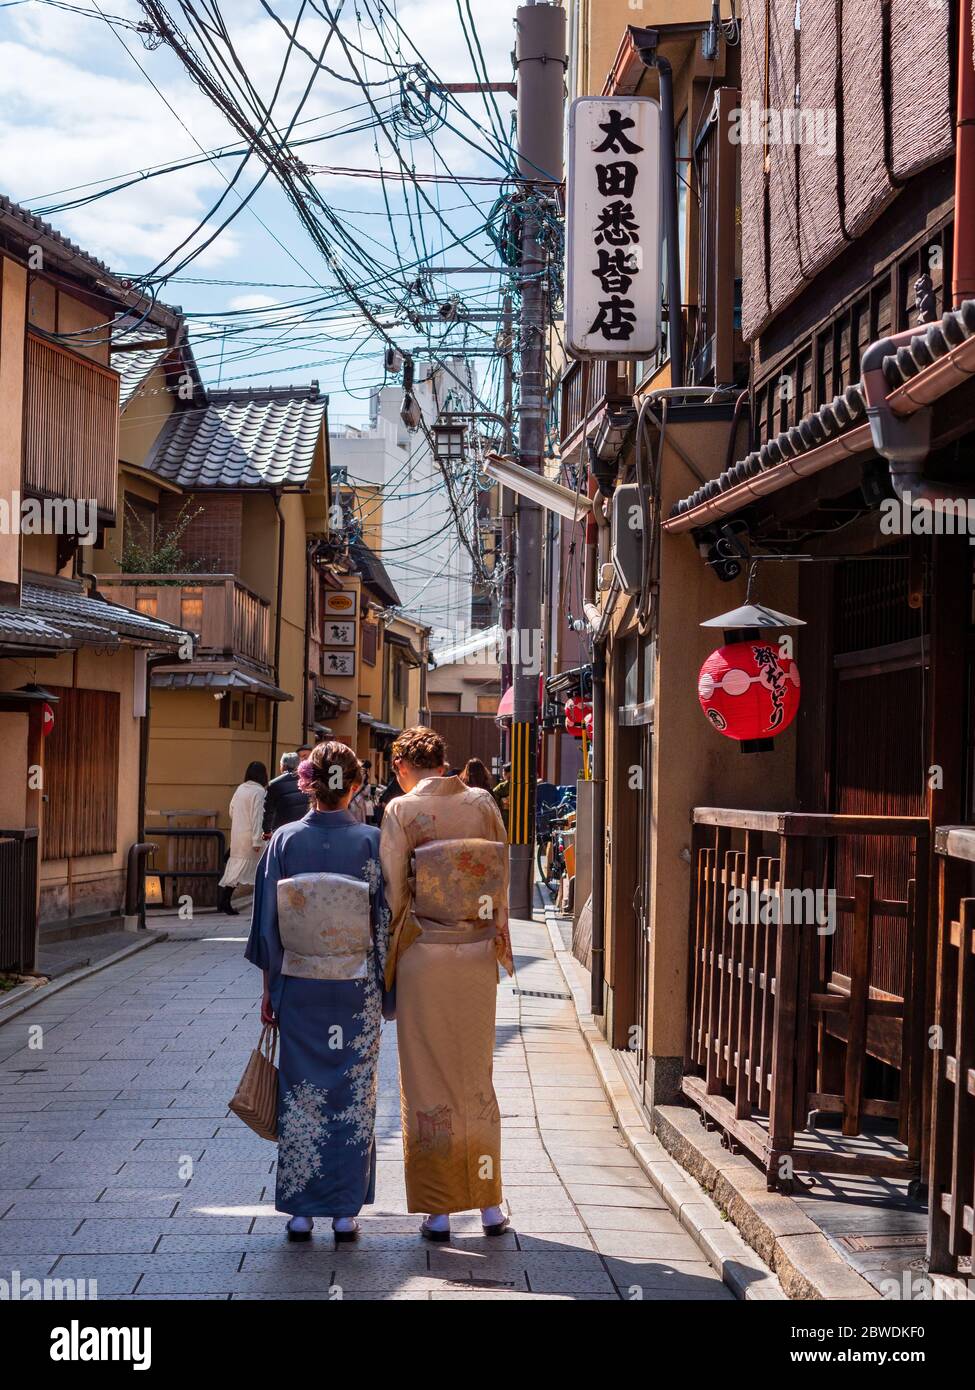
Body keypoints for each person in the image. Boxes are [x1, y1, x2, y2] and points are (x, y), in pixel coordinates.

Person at [245, 741, 391, 1245]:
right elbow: (385, 925)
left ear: (308, 784)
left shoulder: (284, 841)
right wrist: (386, 988)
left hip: (301, 983)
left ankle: (301, 1213)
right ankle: (346, 1212)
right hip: (356, 988)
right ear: (354, 786)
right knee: (352, 1094)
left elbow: (268, 926)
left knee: (301, 1094)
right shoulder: (373, 842)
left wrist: (271, 989)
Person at [379, 726, 512, 1243]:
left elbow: (393, 892)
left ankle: (438, 1212)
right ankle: (490, 1207)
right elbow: (498, 874)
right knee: (476, 1075)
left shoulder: (401, 811)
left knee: (427, 1079)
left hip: (425, 954)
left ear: (401, 767)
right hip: (476, 951)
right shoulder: (481, 803)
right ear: (443, 761)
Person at [218, 762, 268, 915]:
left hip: (238, 835)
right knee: (263, 869)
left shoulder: (241, 788)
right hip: (251, 837)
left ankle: (223, 901)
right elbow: (257, 817)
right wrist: (257, 840)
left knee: (236, 871)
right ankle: (263, 904)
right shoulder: (259, 792)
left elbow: (232, 810)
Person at [262, 752, 310, 836]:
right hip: (304, 828)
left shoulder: (274, 784)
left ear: (283, 766)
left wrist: (267, 831)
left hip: (281, 829)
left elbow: (268, 810)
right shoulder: (306, 782)